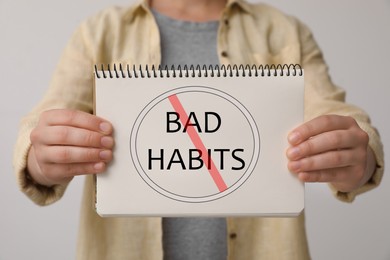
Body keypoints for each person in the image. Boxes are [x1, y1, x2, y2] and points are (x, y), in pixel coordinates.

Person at [13, 0, 384, 259]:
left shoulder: (284, 31)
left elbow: (334, 112)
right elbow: (47, 118)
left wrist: (359, 157)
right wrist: (41, 159)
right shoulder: (99, 32)